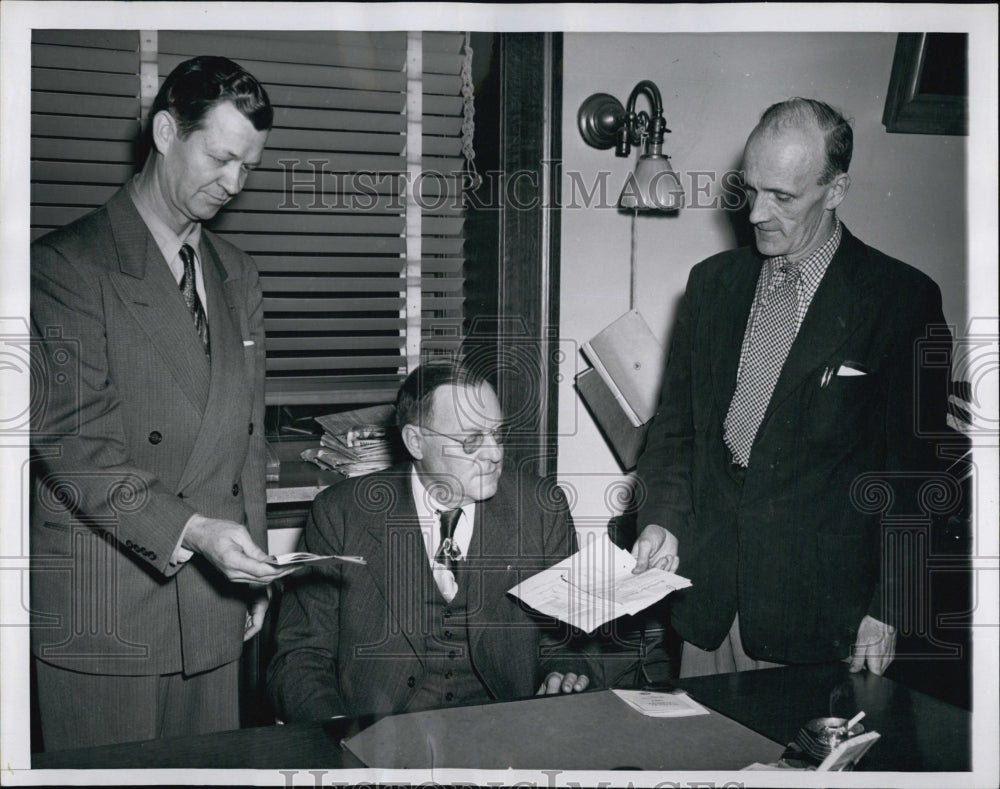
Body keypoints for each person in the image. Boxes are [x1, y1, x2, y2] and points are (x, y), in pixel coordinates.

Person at [631, 98, 953, 678]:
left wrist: (890, 608)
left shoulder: (901, 300)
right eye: (751, 189)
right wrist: (661, 517)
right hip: (707, 598)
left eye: (783, 196)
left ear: (835, 190)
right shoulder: (711, 286)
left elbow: (917, 473)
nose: (756, 213)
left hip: (823, 614)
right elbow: (677, 427)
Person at [30, 55, 294, 750]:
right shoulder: (64, 266)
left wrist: (255, 570)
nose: (234, 184)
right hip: (107, 604)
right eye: (221, 157)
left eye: (249, 167)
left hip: (213, 602)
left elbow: (247, 440)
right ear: (166, 130)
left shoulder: (239, 274)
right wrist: (199, 533)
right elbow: (73, 448)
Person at [267, 360, 599, 722]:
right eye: (471, 440)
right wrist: (337, 734)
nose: (494, 454)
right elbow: (300, 656)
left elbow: (567, 637)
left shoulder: (539, 508)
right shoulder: (342, 513)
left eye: (498, 434)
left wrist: (562, 673)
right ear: (415, 441)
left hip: (506, 729)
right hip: (379, 736)